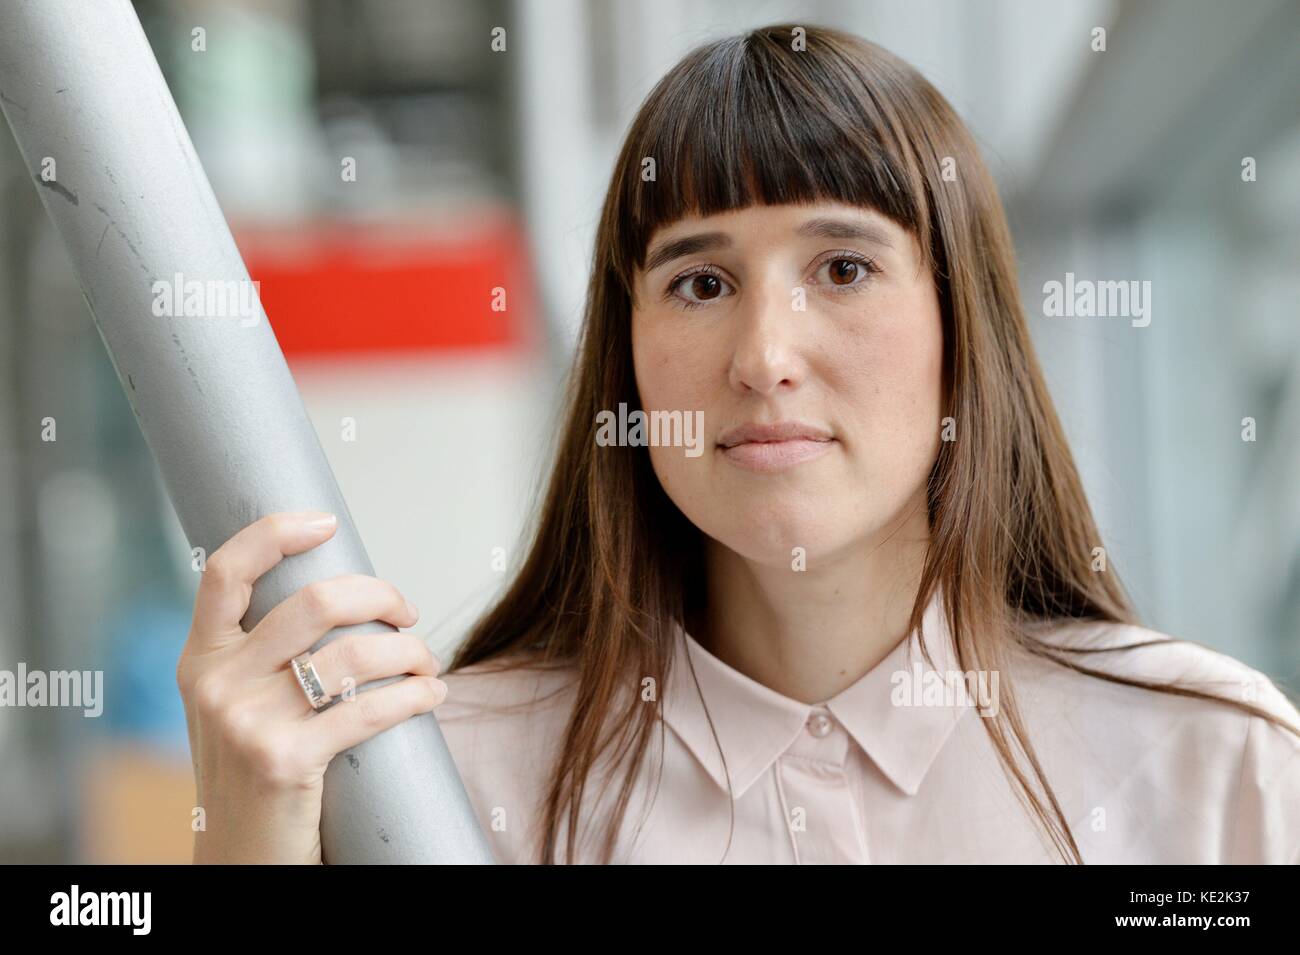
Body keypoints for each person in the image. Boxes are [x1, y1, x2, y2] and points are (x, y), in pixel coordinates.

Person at [177, 23, 1300, 864]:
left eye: (844, 268)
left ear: (968, 332)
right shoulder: (438, 785)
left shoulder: (1215, 770)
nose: (764, 355)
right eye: (701, 282)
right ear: (629, 354)